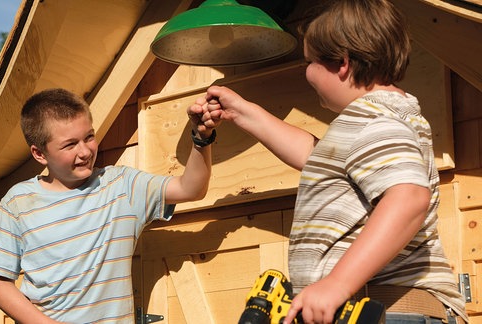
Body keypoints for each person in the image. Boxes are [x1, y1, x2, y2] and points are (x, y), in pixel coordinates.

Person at [194, 0, 468, 323]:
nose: (306, 72)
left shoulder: (377, 122)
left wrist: (337, 284)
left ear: (343, 64)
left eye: (310, 62)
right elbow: (316, 157)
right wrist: (240, 111)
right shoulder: (374, 120)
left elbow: (409, 198)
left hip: (388, 311)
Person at [0, 88, 219, 323]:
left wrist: (201, 138)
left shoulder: (121, 186)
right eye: (70, 145)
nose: (85, 151)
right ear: (39, 154)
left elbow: (191, 189)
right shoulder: (18, 202)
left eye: (89, 137)